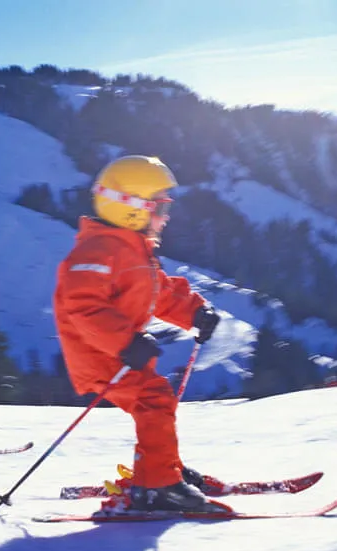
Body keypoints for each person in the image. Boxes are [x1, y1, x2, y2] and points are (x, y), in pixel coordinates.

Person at [53, 155, 223, 513]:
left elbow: (157, 291)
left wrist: (194, 311)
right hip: (98, 353)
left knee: (155, 402)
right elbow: (82, 305)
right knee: (155, 399)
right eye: (159, 207)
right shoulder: (97, 251)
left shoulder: (130, 247)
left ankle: (162, 468)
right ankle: (157, 485)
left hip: (117, 349)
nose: (166, 217)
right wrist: (124, 340)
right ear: (129, 208)